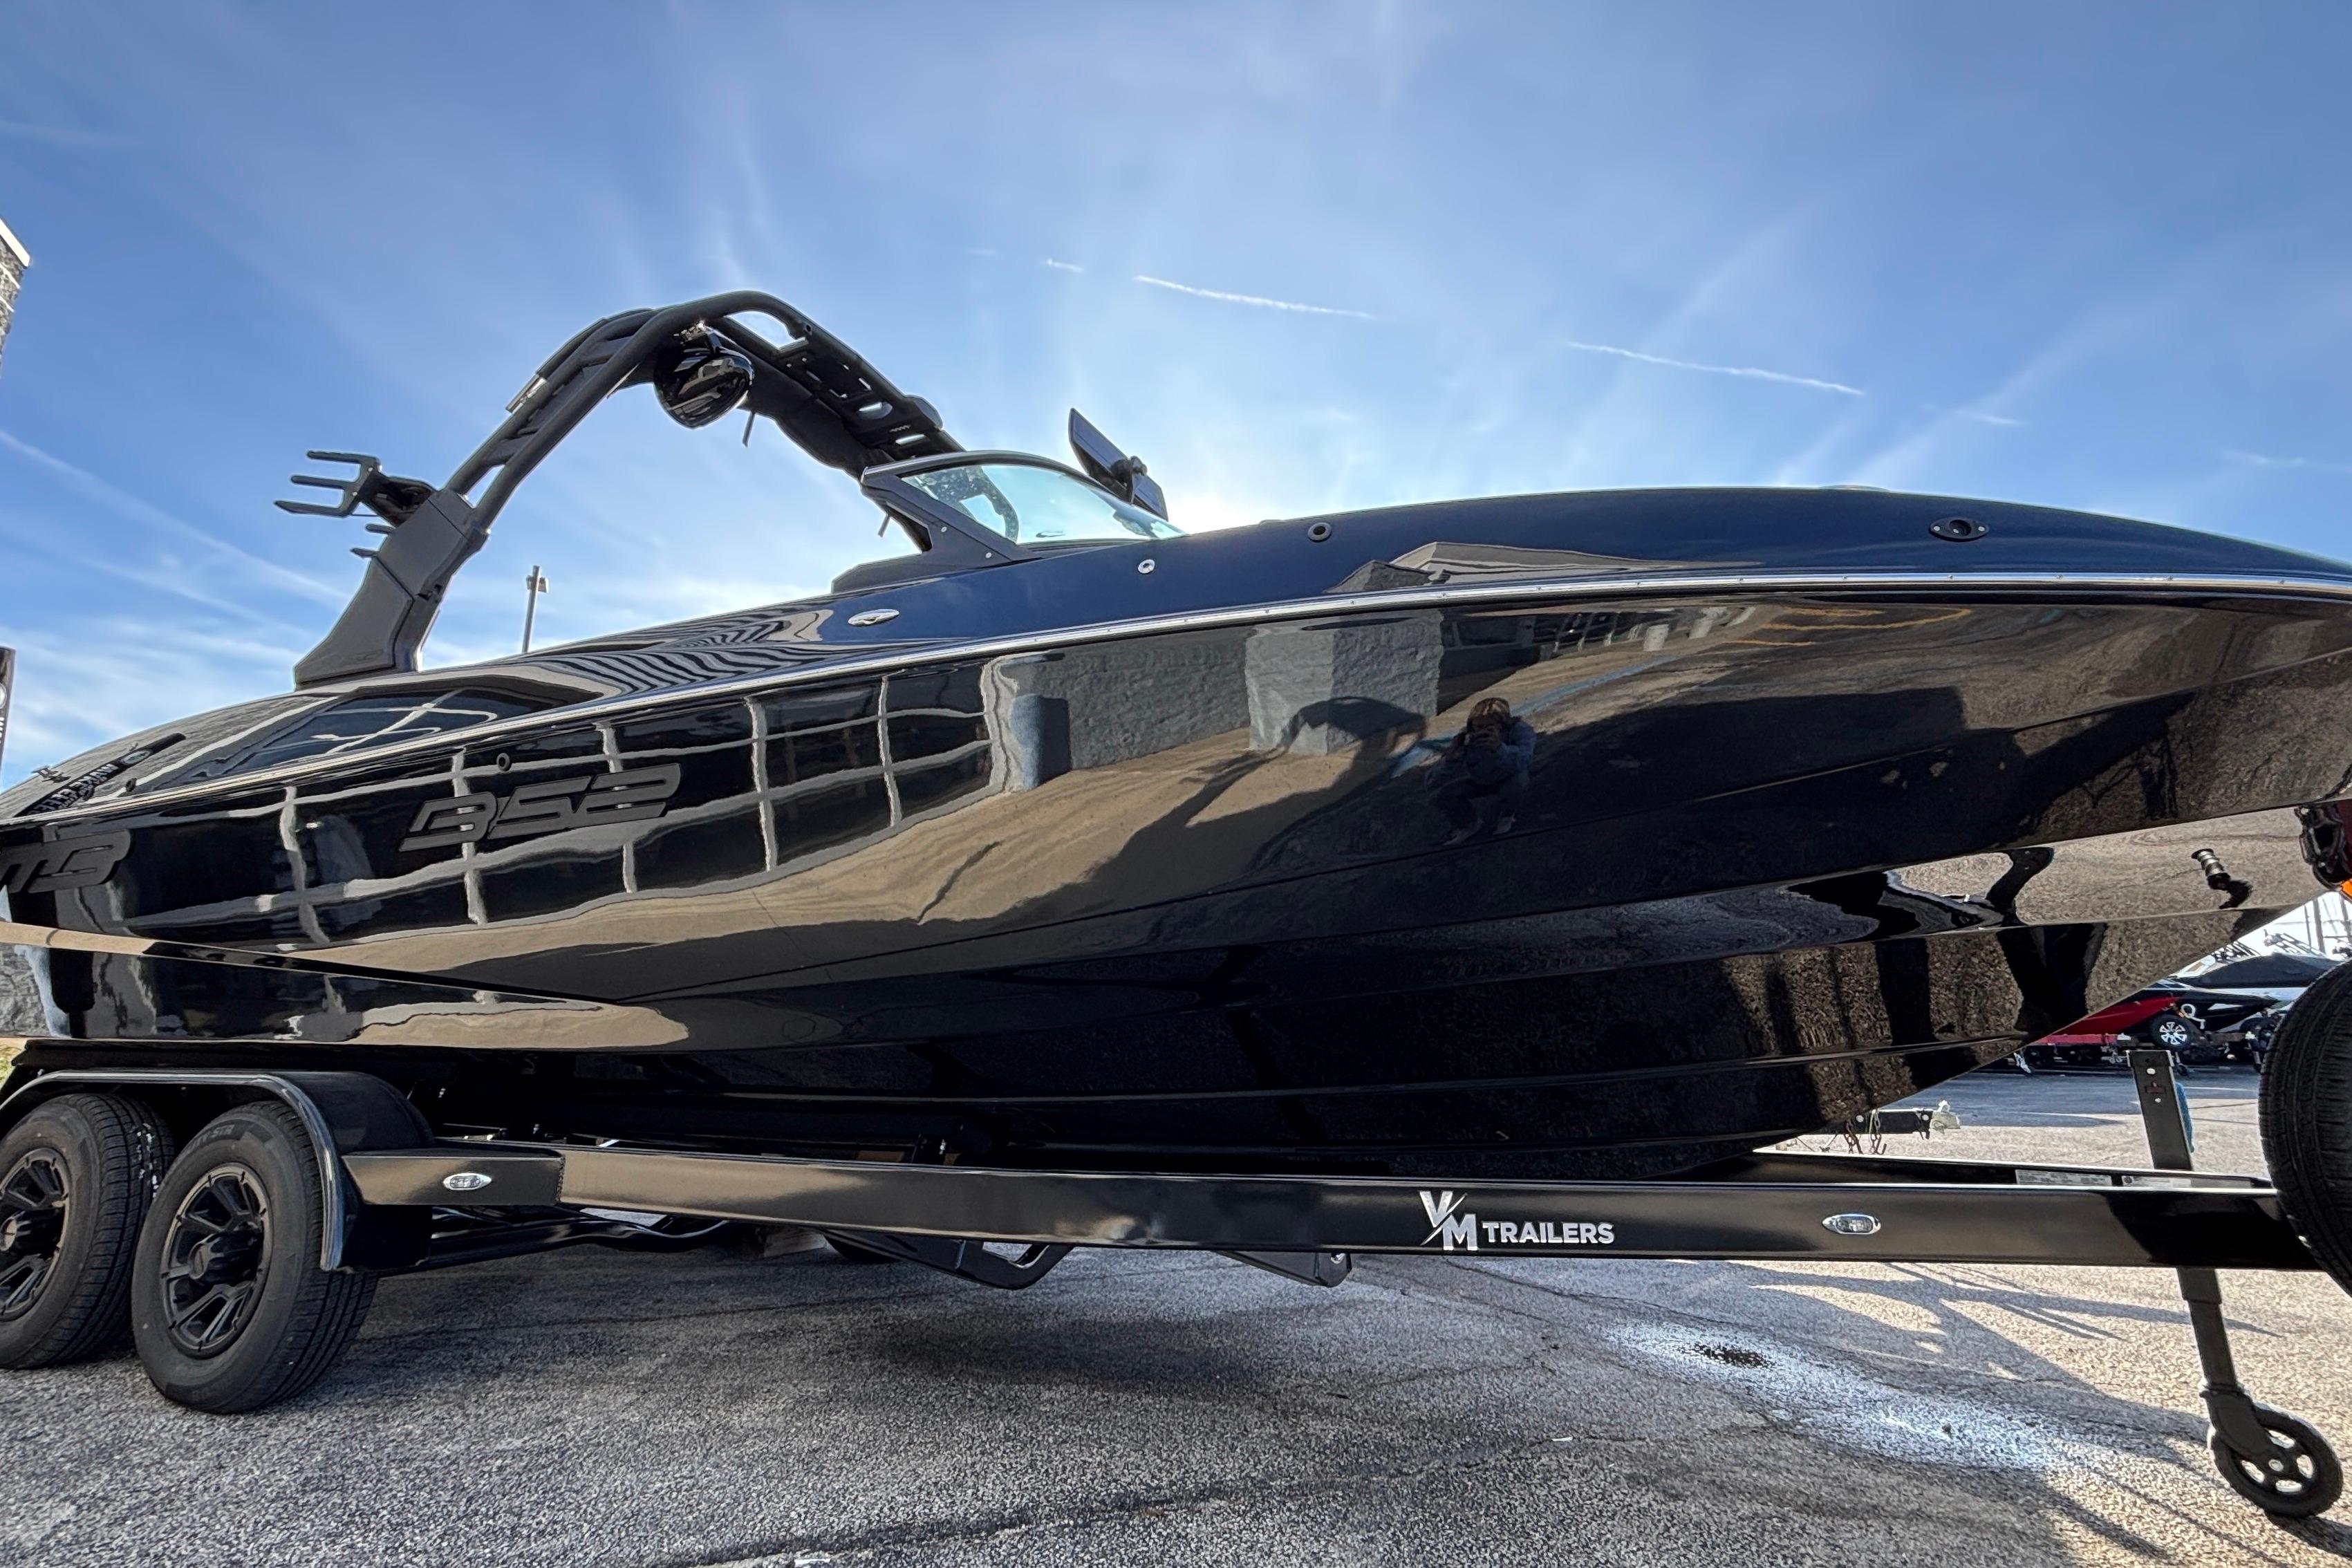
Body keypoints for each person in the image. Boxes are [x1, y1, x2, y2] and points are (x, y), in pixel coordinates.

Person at [1429, 696, 1533, 844]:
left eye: (1489, 727)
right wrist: (1450, 760)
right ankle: (1469, 824)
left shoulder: (1520, 731)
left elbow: (1524, 761)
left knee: (1516, 785)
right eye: (1478, 728)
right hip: (1481, 780)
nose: (1483, 732)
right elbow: (1432, 782)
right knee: (1441, 796)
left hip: (1509, 776)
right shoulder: (1467, 740)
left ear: (1502, 726)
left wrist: (1500, 749)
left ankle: (1507, 815)